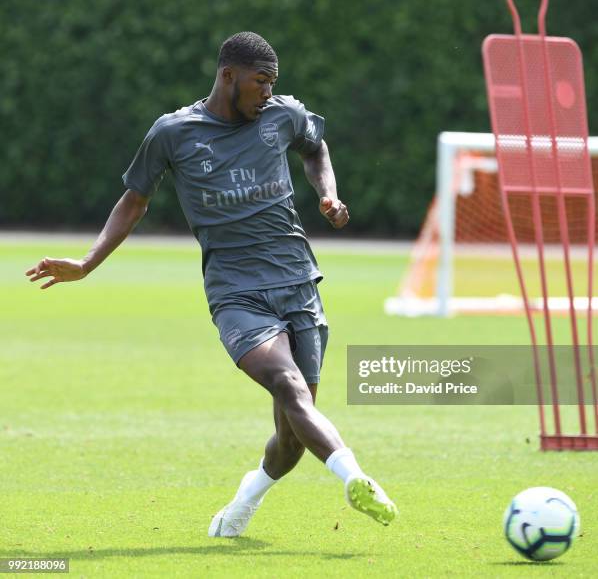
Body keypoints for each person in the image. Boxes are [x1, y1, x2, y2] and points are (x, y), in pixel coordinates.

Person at [26, 31, 397, 537]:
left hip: (299, 284)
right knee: (289, 385)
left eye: (272, 84)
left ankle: (244, 501)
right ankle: (356, 478)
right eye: (260, 82)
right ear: (228, 76)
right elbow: (135, 201)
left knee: (291, 435)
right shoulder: (173, 133)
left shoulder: (281, 116)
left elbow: (315, 147)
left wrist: (327, 194)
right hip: (236, 293)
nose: (267, 92)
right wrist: (88, 263)